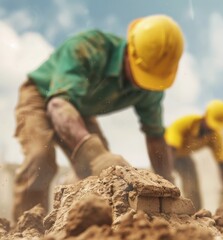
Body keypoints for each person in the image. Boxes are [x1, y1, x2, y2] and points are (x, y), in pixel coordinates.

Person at [13, 14, 184, 220]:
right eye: (141, 74)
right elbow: (58, 105)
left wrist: (166, 185)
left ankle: (76, 223)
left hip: (80, 110)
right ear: (130, 51)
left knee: (103, 172)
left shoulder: (152, 84)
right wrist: (95, 156)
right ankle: (28, 227)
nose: (142, 84)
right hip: (40, 96)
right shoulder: (89, 47)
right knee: (40, 158)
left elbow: (155, 136)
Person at [164, 99, 223, 210]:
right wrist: (168, 176)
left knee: (192, 188)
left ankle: (195, 215)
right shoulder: (185, 124)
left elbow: (222, 164)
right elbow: (171, 150)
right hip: (166, 152)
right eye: (210, 124)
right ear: (205, 116)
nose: (211, 129)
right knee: (158, 181)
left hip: (184, 156)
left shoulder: (215, 136)